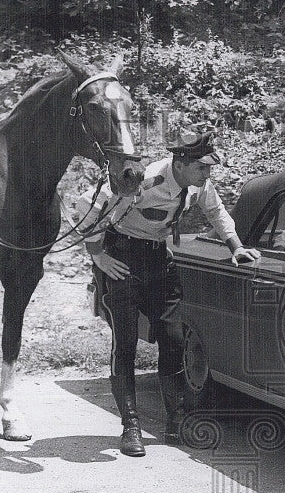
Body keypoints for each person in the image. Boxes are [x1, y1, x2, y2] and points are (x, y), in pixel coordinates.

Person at [77, 129, 260, 455]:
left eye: (209, 167)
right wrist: (99, 257)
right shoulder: (143, 179)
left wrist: (237, 247)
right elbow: (88, 208)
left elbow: (217, 212)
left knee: (174, 341)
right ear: (181, 162)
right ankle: (130, 425)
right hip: (123, 258)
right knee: (127, 344)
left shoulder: (198, 183)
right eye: (202, 167)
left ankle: (176, 421)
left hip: (159, 259)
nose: (207, 174)